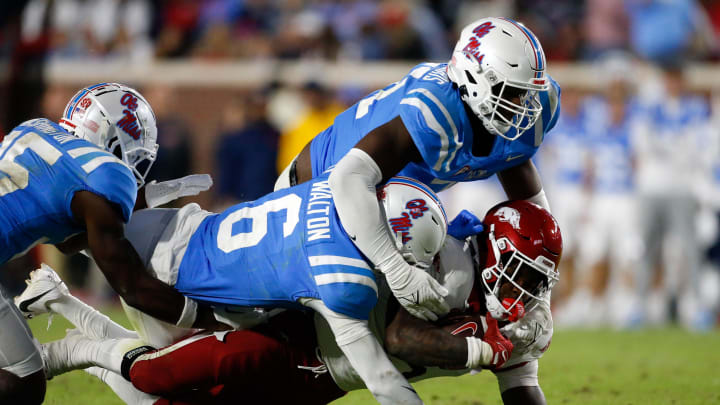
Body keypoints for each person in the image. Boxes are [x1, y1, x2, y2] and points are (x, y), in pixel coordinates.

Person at [27, 200, 561, 405]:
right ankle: (74, 350)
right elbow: (401, 337)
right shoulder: (445, 263)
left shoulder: (522, 321)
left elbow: (522, 386)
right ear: (489, 254)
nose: (524, 292)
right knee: (154, 378)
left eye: (537, 280)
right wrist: (481, 352)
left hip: (327, 380)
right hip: (299, 331)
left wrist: (508, 357)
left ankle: (66, 309)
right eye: (519, 274)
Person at [274, 17, 561, 324]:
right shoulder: (434, 110)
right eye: (512, 92)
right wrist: (396, 270)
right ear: (475, 78)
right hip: (314, 193)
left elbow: (516, 169)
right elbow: (349, 179)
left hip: (382, 197)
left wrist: (538, 281)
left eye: (526, 93)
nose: (523, 106)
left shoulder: (529, 112)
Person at [0, 82, 218, 404]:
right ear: (111, 140)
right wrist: (216, 317)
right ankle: (79, 349)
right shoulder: (106, 175)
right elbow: (133, 287)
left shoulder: (37, 128)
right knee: (22, 383)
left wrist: (150, 195)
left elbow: (69, 237)